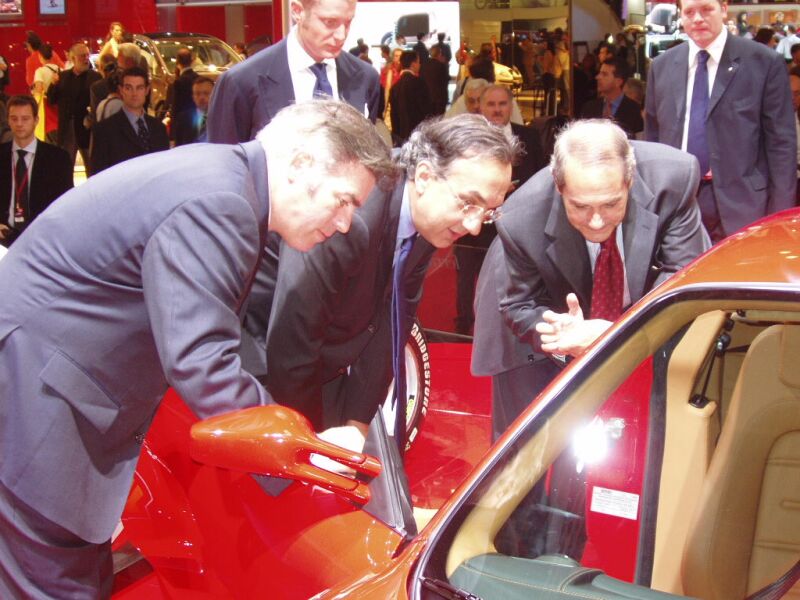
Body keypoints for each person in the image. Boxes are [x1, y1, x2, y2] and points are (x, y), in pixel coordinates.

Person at [0, 99, 393, 599]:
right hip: (38, 400)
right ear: (299, 165)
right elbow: (203, 361)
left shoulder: (227, 185)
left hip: (57, 387)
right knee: (54, 584)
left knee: (72, 576)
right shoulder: (222, 202)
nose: (343, 224)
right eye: (343, 201)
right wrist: (302, 459)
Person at [242, 113, 519, 438]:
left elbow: (392, 321)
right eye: (469, 204)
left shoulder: (431, 212)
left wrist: (357, 425)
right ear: (426, 176)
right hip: (256, 365)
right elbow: (292, 341)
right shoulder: (349, 216)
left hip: (325, 360)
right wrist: (311, 445)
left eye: (488, 212)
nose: (473, 227)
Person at [472, 119, 710, 440]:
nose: (597, 221)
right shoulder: (520, 218)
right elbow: (520, 304)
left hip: (634, 312)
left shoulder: (674, 179)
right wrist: (562, 334)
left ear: (630, 181)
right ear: (559, 188)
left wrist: (616, 335)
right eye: (580, 206)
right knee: (531, 444)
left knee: (653, 430)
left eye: (611, 204)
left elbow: (684, 283)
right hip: (543, 315)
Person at [645, 0, 796, 242]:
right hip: (678, 206)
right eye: (689, 12)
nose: (697, 18)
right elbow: (653, 139)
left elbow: (781, 145)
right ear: (681, 16)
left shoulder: (763, 62)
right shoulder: (662, 66)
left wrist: (779, 218)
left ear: (724, 9)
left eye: (706, 9)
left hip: (745, 205)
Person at [207, 0, 381, 143]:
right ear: (297, 11)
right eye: (330, 22)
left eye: (348, 22)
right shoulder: (242, 81)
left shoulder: (365, 77)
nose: (341, 35)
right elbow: (226, 166)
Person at [453, 85, 545, 334]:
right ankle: (464, 327)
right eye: (491, 104)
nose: (497, 110)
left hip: (519, 223)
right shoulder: (465, 140)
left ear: (511, 106)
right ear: (480, 107)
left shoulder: (531, 137)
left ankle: (508, 327)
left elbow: (542, 177)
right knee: (468, 277)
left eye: (502, 104)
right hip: (475, 224)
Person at [0, 95, 72, 248]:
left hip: (42, 237)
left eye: (25, 119)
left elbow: (66, 203)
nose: (19, 124)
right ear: (8, 120)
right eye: (14, 118)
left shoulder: (58, 158)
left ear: (36, 120)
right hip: (3, 235)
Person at [90, 67, 169, 174]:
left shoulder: (159, 128)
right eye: (128, 88)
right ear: (121, 90)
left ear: (147, 90)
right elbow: (98, 175)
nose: (134, 93)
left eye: (139, 88)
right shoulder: (105, 130)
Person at [48, 43, 101, 168]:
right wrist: (53, 84)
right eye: (82, 56)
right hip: (67, 128)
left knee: (91, 165)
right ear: (73, 58)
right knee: (66, 165)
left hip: (86, 128)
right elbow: (51, 100)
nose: (86, 58)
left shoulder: (95, 77)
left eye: (87, 55)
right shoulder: (62, 77)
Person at [580, 57, 643, 138]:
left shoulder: (634, 110)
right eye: (600, 73)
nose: (598, 77)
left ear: (618, 82)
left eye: (604, 74)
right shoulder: (589, 108)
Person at [389, 50, 433, 145]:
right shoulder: (419, 83)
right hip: (419, 134)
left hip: (402, 135)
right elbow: (426, 110)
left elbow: (394, 116)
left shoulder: (395, 87)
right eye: (418, 62)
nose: (419, 65)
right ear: (413, 64)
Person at [31, 44, 60, 144]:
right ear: (52, 56)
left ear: (40, 56)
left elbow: (38, 89)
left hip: (46, 107)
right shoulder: (60, 70)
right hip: (59, 105)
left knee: (48, 134)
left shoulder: (40, 71)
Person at [173, 76, 214, 145]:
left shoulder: (222, 118)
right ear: (193, 97)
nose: (201, 97)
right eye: (197, 94)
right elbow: (178, 146)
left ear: (214, 94)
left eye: (206, 93)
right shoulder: (183, 119)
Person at [421, 45, 450, 116]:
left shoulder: (424, 65)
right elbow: (446, 79)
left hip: (427, 97)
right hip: (440, 97)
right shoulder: (441, 65)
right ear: (439, 54)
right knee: (439, 118)